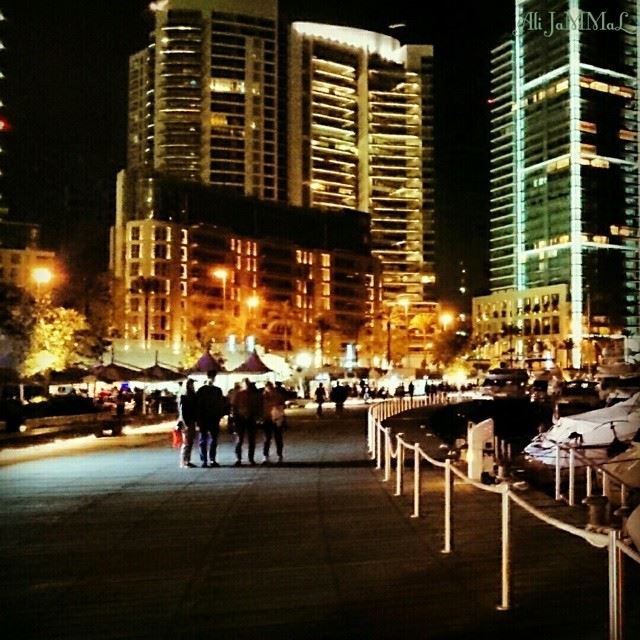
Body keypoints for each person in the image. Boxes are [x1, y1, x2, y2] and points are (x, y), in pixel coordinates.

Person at [196, 371, 227, 467]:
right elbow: (221, 404)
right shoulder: (217, 390)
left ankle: (205, 460)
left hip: (204, 418)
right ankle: (211, 459)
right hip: (212, 417)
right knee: (212, 439)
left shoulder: (201, 390)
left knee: (204, 439)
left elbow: (198, 405)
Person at [231, 378, 262, 465]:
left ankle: (249, 458)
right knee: (241, 439)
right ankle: (240, 458)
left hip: (248, 418)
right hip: (241, 418)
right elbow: (234, 407)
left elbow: (257, 406)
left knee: (249, 439)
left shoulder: (251, 395)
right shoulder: (240, 394)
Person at [261, 381, 286, 464]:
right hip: (267, 418)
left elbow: (282, 405)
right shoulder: (263, 396)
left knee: (277, 437)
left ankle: (279, 455)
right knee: (267, 438)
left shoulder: (276, 395)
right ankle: (266, 455)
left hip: (275, 418)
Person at [178, 378, 198, 468]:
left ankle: (187, 460)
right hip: (187, 422)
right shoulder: (184, 397)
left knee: (190, 442)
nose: (192, 386)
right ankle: (184, 461)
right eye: (191, 384)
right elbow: (182, 411)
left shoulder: (192, 395)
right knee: (186, 442)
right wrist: (185, 423)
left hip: (191, 421)